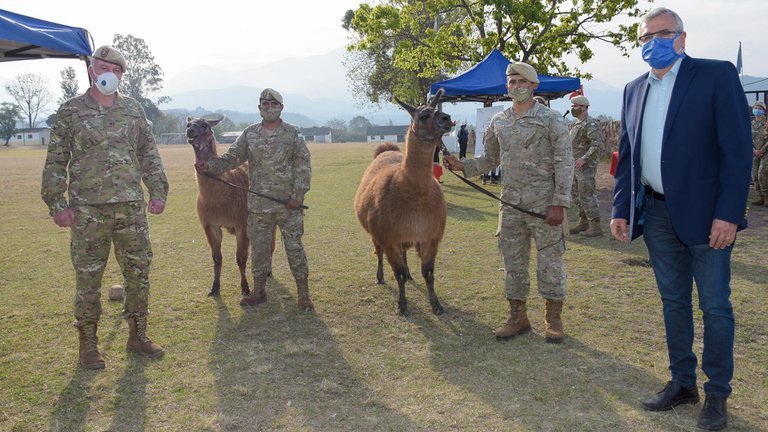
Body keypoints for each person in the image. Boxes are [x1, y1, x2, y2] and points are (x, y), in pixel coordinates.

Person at [610, 8, 752, 431]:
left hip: (708, 218)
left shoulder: (715, 76)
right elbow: (627, 156)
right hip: (655, 213)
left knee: (715, 306)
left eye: (662, 33)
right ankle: (682, 383)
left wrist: (728, 213)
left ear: (682, 38)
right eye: (644, 37)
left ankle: (717, 395)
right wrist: (621, 208)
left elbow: (737, 151)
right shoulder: (634, 89)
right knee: (673, 303)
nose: (652, 41)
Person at [41, 45, 169, 370]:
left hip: (131, 208)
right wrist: (57, 203)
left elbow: (148, 152)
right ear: (91, 71)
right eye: (101, 67)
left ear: (122, 74)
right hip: (87, 212)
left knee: (139, 274)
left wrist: (158, 190)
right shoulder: (70, 112)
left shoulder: (133, 110)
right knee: (88, 279)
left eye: (116, 69)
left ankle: (138, 335)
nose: (108, 73)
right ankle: (88, 346)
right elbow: (56, 160)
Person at [443, 62, 573, 344]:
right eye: (511, 82)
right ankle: (518, 317)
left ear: (534, 85)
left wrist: (559, 204)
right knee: (513, 264)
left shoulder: (551, 120)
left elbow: (565, 163)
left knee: (549, 264)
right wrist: (462, 165)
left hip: (544, 206)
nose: (516, 86)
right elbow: (489, 160)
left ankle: (554, 319)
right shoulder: (498, 121)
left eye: (521, 81)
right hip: (511, 205)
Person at [195, 88, 313, 311]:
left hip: (288, 205)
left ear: (281, 107)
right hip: (258, 206)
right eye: (264, 104)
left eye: (273, 104)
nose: (269, 108)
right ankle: (259, 291)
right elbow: (231, 159)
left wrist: (297, 196)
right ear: (259, 108)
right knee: (258, 250)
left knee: (294, 249)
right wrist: (208, 166)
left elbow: (303, 166)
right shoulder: (249, 134)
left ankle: (303, 294)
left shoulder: (293, 134)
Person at [568, 95, 606, 237]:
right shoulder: (577, 123)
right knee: (575, 194)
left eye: (576, 106)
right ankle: (584, 222)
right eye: (572, 106)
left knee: (587, 195)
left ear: (584, 107)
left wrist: (584, 159)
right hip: (574, 165)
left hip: (585, 166)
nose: (573, 109)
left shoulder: (590, 123)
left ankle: (596, 226)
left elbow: (597, 145)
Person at [750, 101, 768, 206]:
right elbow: (747, 138)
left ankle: (766, 197)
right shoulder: (751, 124)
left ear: (764, 110)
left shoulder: (766, 123)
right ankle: (760, 197)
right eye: (755, 107)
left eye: (760, 108)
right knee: (754, 175)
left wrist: (762, 150)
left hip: (765, 153)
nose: (757, 109)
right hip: (755, 153)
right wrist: (754, 150)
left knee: (762, 175)